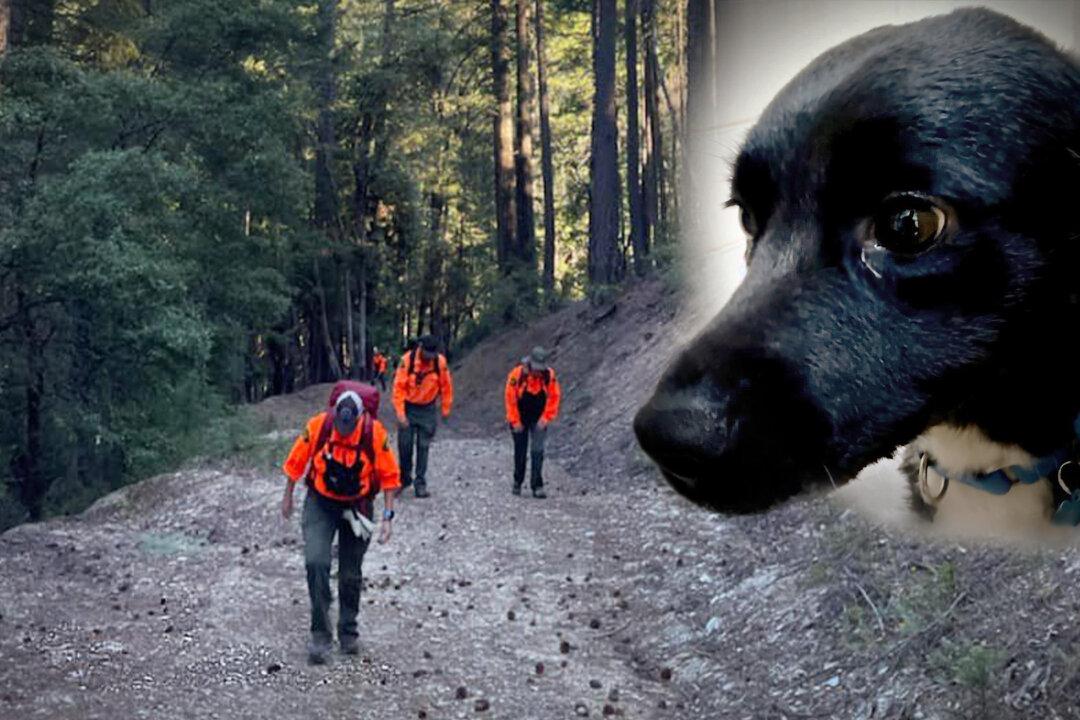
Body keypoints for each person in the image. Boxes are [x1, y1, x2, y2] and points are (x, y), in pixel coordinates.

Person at [281, 388, 400, 665]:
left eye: (349, 426)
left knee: (350, 572)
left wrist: (387, 517)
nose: (344, 431)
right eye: (340, 425)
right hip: (320, 503)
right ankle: (320, 635)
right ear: (335, 415)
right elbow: (296, 461)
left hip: (357, 507)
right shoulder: (319, 426)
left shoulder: (374, 434)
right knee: (316, 562)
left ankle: (348, 631)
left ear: (359, 418)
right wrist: (287, 497)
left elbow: (389, 476)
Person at [393, 334, 453, 498]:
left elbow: (446, 386)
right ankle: (404, 479)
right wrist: (400, 413)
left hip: (428, 409)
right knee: (404, 445)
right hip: (408, 407)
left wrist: (445, 409)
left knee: (423, 446)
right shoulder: (407, 361)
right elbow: (398, 388)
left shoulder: (440, 363)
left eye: (433, 354)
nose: (430, 357)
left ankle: (420, 483)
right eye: (428, 354)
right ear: (420, 348)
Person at [504, 346, 561, 499]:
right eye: (536, 369)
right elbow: (510, 400)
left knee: (538, 451)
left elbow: (554, 398)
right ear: (529, 364)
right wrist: (515, 421)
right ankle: (517, 481)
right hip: (519, 416)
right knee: (520, 451)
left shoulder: (549, 375)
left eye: (540, 369)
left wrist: (546, 418)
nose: (538, 372)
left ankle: (537, 485)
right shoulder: (517, 375)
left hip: (539, 417)